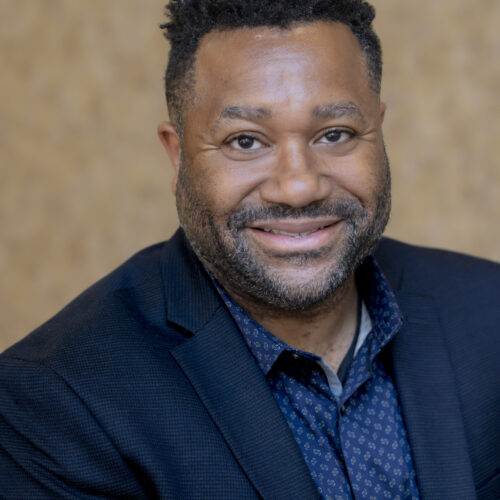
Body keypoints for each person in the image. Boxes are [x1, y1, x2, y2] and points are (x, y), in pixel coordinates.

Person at [0, 0, 498, 498]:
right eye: (245, 142)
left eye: (335, 134)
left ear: (378, 132)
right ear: (177, 155)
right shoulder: (59, 401)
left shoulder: (489, 312)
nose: (298, 187)